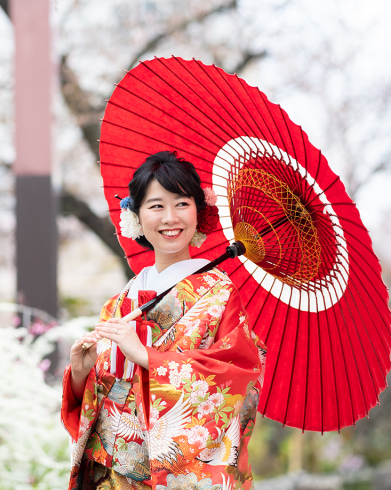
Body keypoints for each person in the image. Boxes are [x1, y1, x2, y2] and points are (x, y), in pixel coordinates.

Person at [62, 151, 267, 490]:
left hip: (173, 474)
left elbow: (238, 375)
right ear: (137, 216)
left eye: (182, 204)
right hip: (107, 474)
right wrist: (81, 373)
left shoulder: (219, 295)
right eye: (156, 206)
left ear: (199, 212)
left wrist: (147, 358)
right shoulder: (119, 303)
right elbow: (97, 402)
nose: (170, 218)